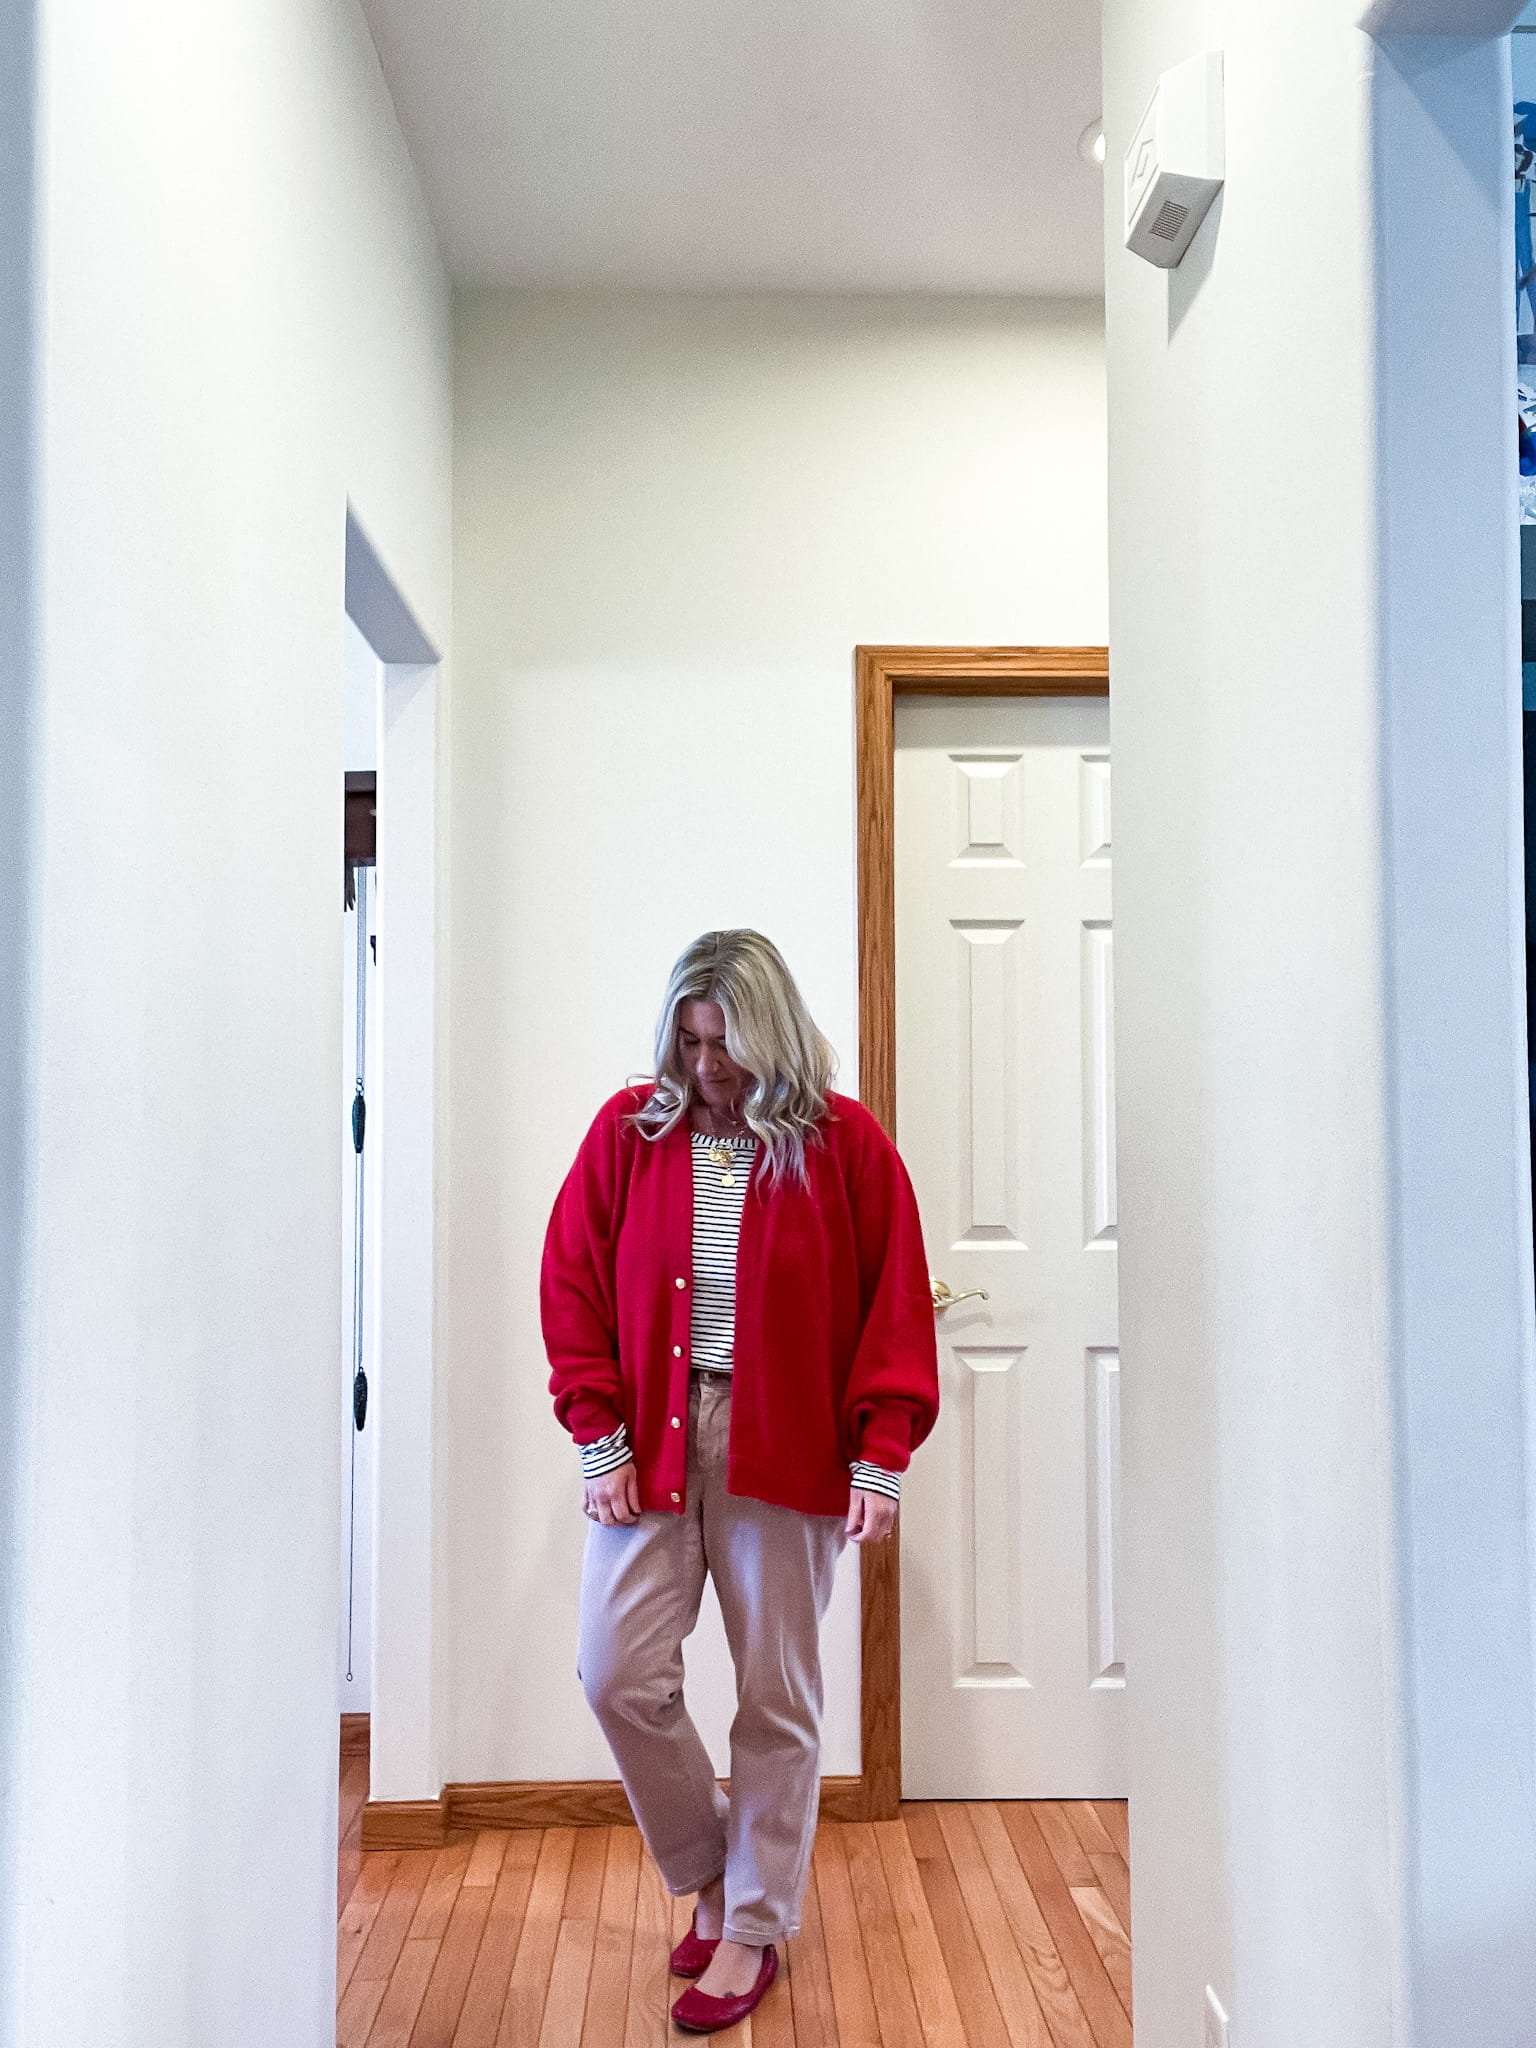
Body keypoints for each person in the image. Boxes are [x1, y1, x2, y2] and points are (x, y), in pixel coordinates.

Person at [541, 928, 939, 2034]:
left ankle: (754, 1928)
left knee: (777, 1696)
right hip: (653, 1440)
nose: (707, 1061)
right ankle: (713, 1874)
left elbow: (893, 1296)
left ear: (771, 1030)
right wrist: (597, 1431)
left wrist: (881, 1450)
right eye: (690, 1034)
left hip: (787, 1440)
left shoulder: (843, 1143)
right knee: (617, 1670)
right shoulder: (631, 1132)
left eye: (727, 1039)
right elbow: (571, 1275)